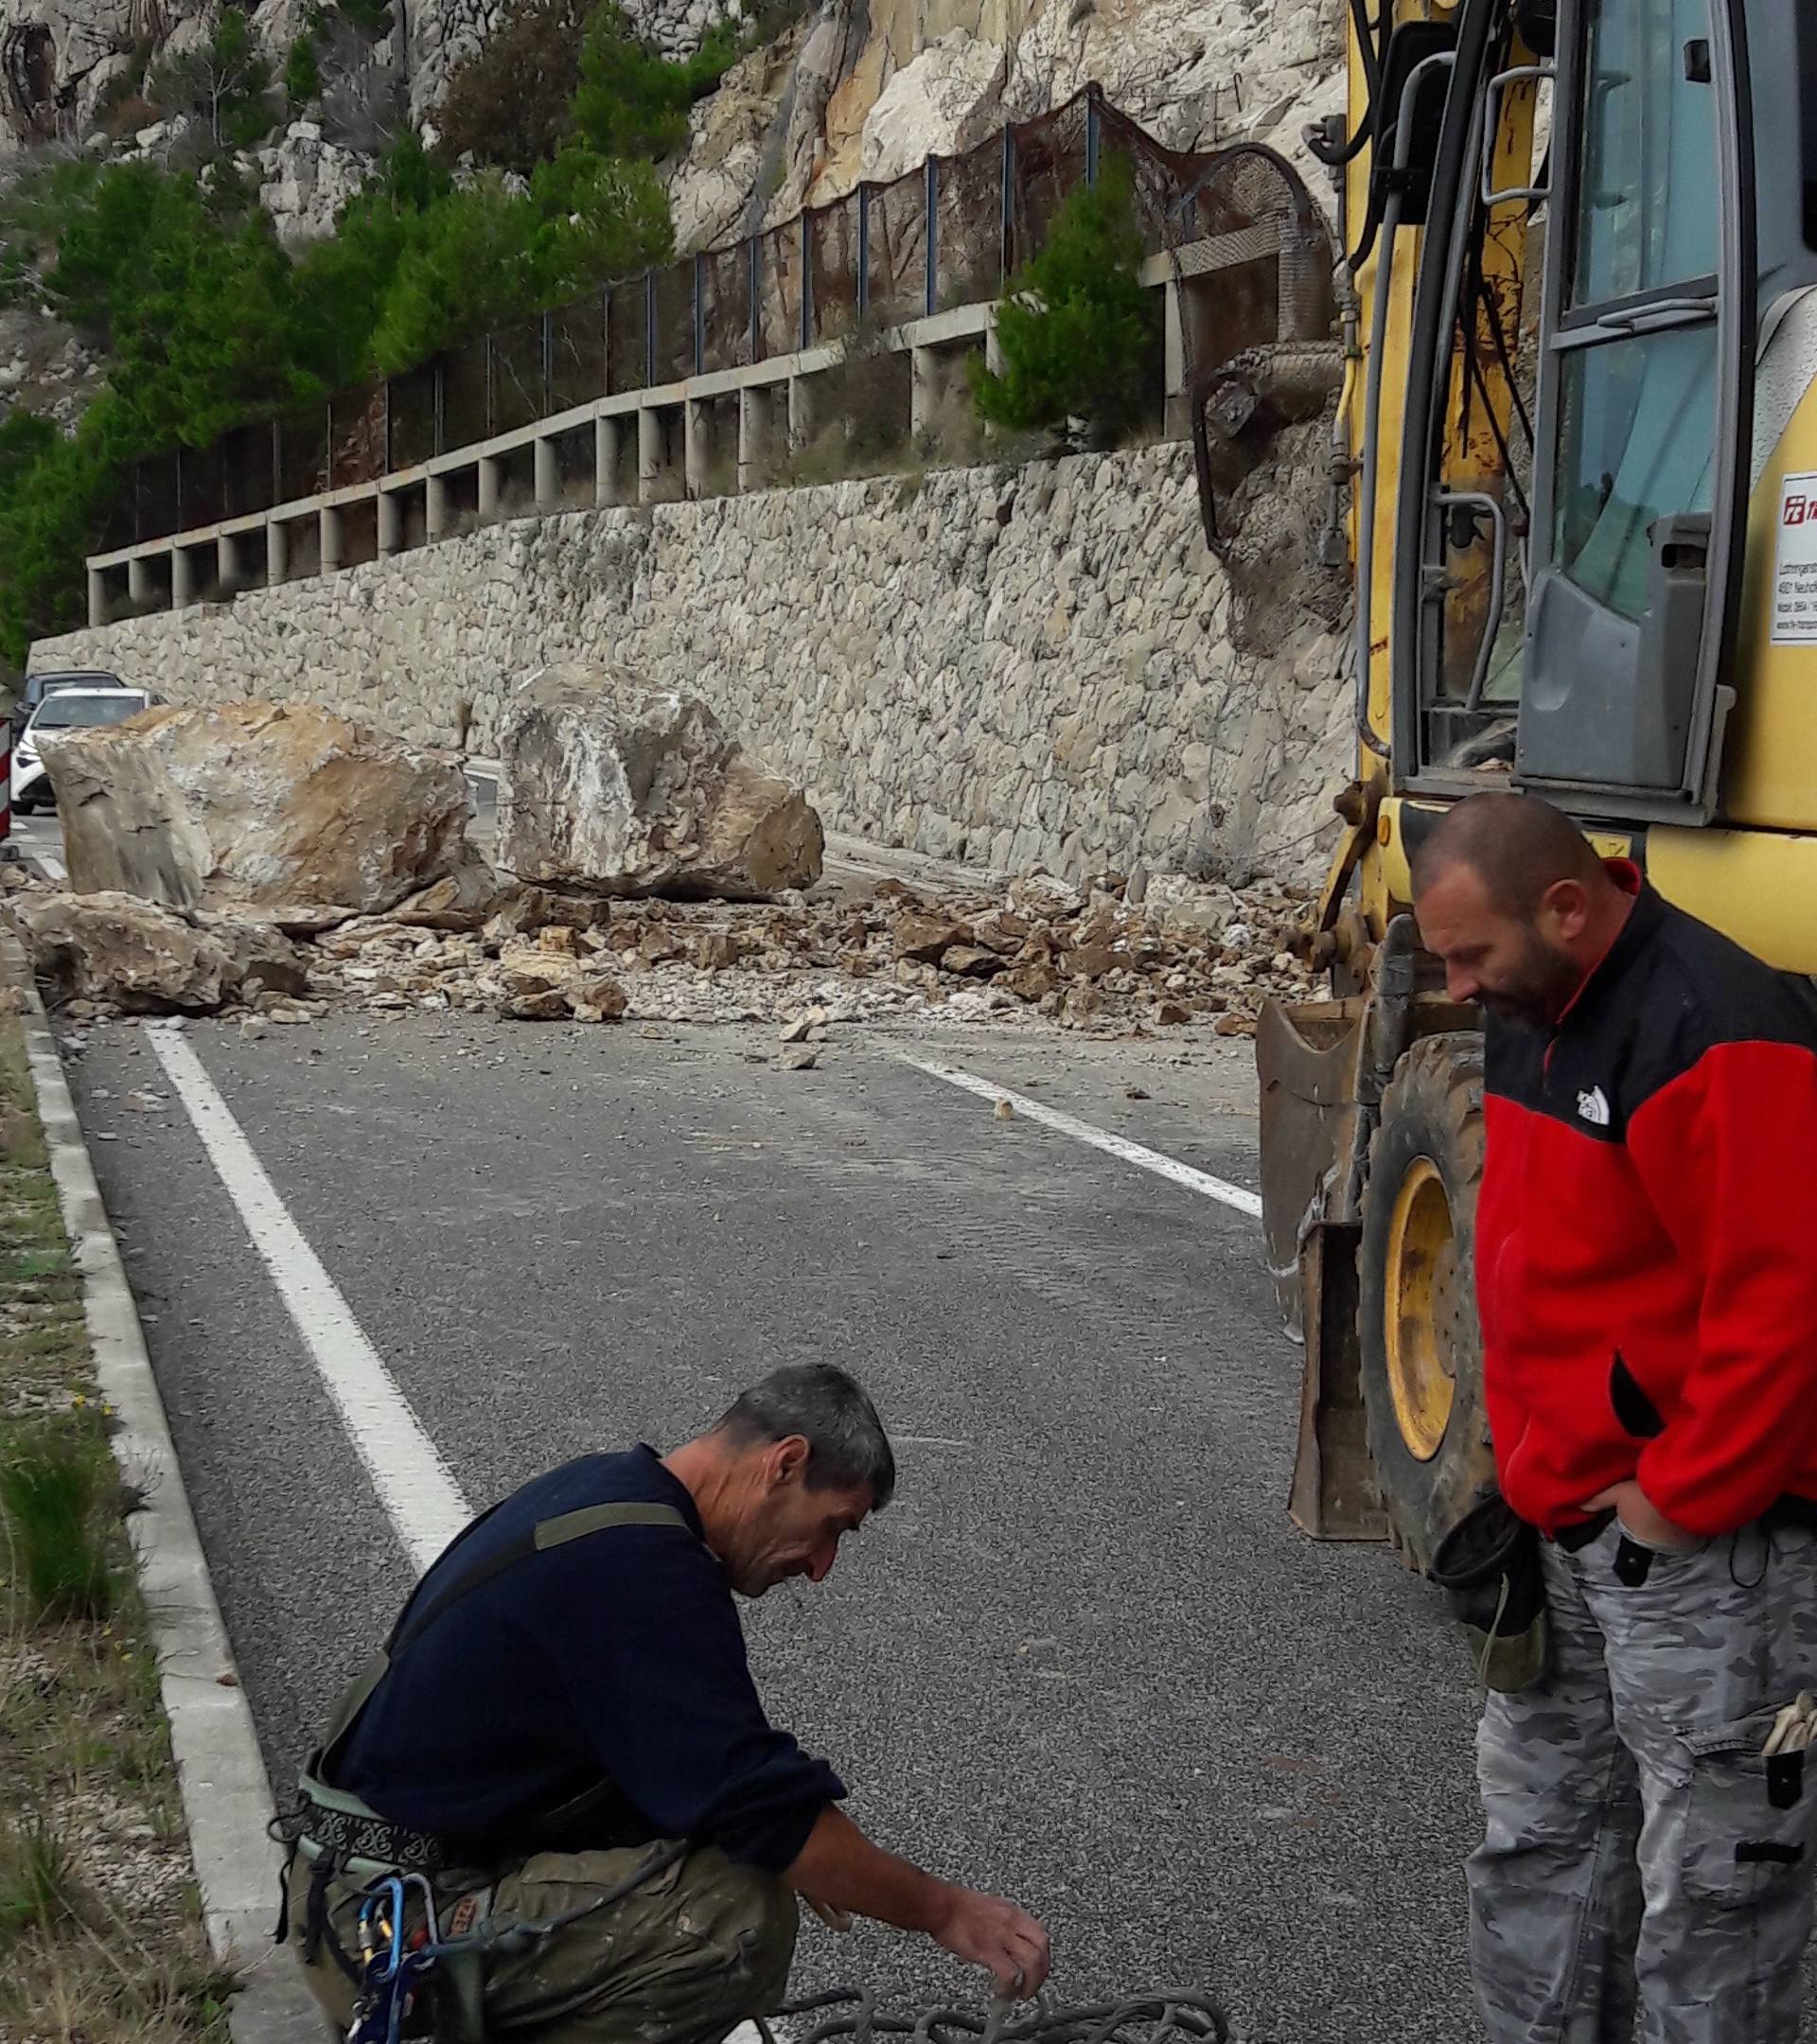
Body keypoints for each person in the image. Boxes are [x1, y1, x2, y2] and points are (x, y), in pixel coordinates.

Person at [284, 1364, 1050, 2041]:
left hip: (360, 1875)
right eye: (831, 1530)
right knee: (734, 1913)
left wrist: (789, 1843)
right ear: (786, 1463)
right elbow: (765, 1810)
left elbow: (708, 1780)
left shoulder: (609, 1491)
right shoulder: (647, 1573)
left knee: (736, 1852)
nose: (821, 1567)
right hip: (385, 1924)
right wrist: (947, 1912)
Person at [1410, 790, 1817, 2044]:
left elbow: (1785, 1306)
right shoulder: (1536, 1010)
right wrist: (1519, 1479)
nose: (1458, 990)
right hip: (1569, 1531)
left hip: (1701, 1553)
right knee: (1541, 1847)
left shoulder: (1720, 1027)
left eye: (1471, 957)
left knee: (1718, 1899)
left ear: (1567, 909)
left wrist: (1675, 1500)